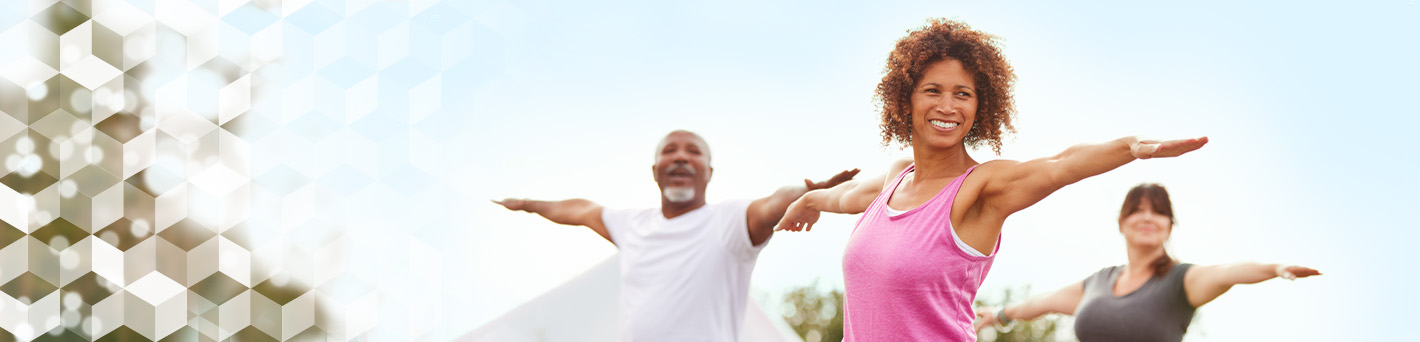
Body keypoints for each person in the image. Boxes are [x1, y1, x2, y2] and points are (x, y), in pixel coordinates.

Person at [773, 19, 1208, 341]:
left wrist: (1131, 147)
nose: (948, 106)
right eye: (933, 90)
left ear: (981, 107)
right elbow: (846, 195)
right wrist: (808, 202)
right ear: (905, 99)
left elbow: (1060, 164)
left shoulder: (982, 189)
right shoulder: (896, 176)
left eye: (963, 94)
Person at [493, 129, 857, 341]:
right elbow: (581, 210)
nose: (681, 157)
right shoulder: (632, 224)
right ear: (655, 171)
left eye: (693, 152)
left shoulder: (728, 222)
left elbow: (772, 203)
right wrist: (529, 203)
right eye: (670, 151)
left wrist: (806, 194)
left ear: (709, 172)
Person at [972, 183, 1321, 341]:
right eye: (1137, 210)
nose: (1147, 217)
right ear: (1121, 223)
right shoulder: (1099, 282)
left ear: (1170, 225)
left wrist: (1274, 270)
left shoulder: (1180, 281)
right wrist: (999, 315)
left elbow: (1227, 272)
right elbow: (1041, 303)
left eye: (1158, 211)